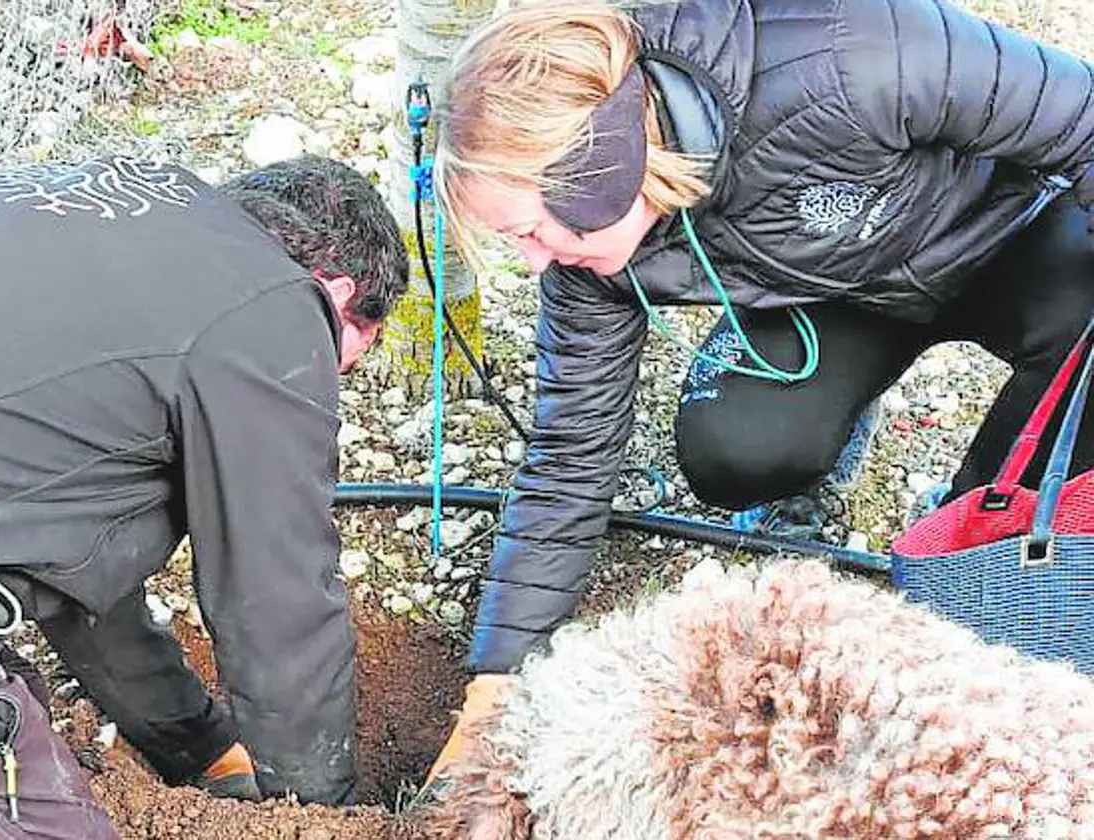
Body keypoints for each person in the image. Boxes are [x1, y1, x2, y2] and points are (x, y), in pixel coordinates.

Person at [423, 0, 1094, 781]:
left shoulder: (851, 52)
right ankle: (827, 459)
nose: (534, 261)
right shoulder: (589, 265)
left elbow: (1082, 114)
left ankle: (974, 545)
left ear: (599, 180)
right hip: (837, 294)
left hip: (1007, 237)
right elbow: (570, 459)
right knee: (736, 446)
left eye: (529, 231)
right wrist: (497, 687)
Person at [0, 153, 408, 836]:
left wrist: (198, 746)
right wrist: (320, 818)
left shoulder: (124, 218)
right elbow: (279, 604)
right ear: (337, 294)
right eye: (352, 353)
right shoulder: (269, 306)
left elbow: (71, 565)